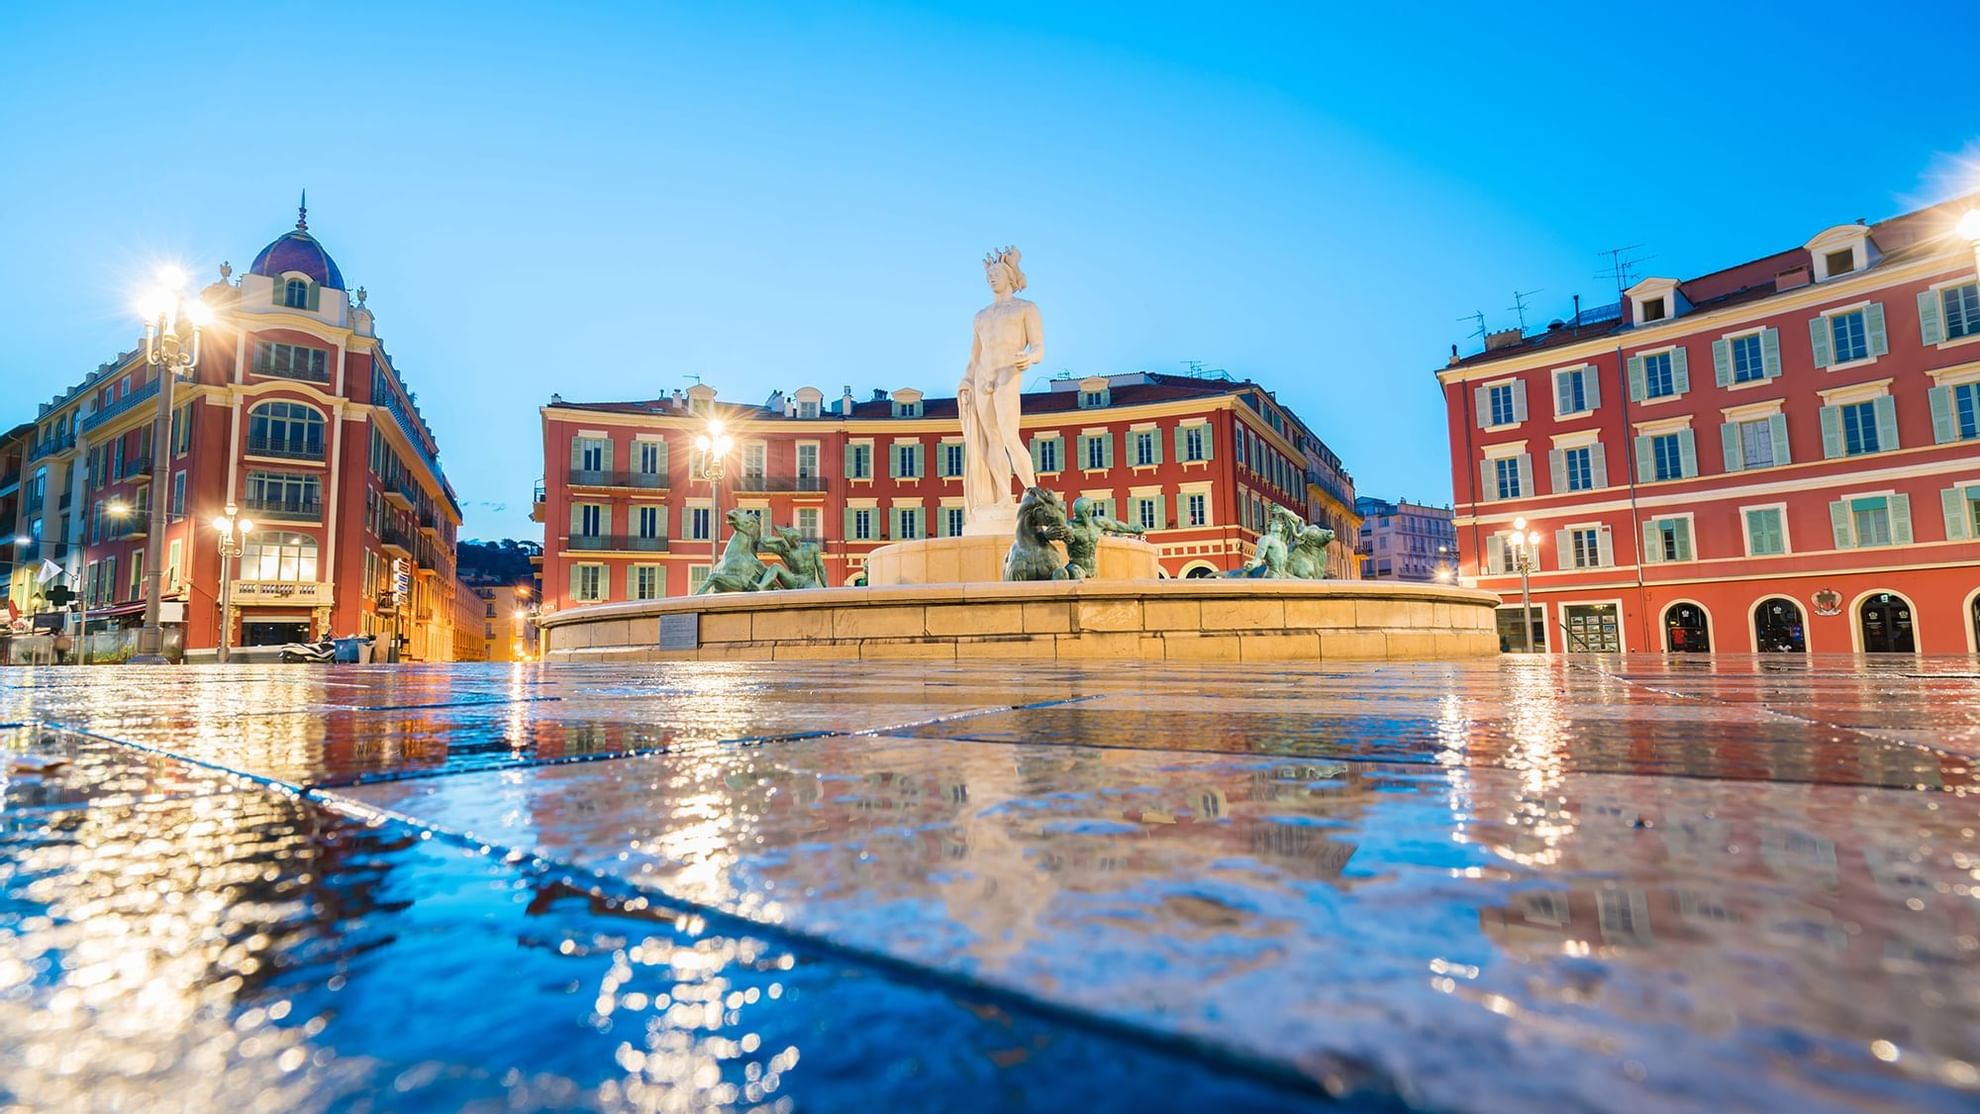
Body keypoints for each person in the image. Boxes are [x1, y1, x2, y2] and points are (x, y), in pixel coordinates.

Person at [957, 246, 1044, 533]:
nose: (991, 280)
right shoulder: (980, 316)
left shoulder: (1025, 308)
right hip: (983, 377)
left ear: (1009, 276)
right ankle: (1004, 498)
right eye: (988, 276)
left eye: (995, 274)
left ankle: (1032, 494)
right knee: (992, 439)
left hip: (1009, 372)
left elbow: (1039, 348)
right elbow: (973, 355)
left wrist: (1028, 359)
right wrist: (965, 380)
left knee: (1009, 436)